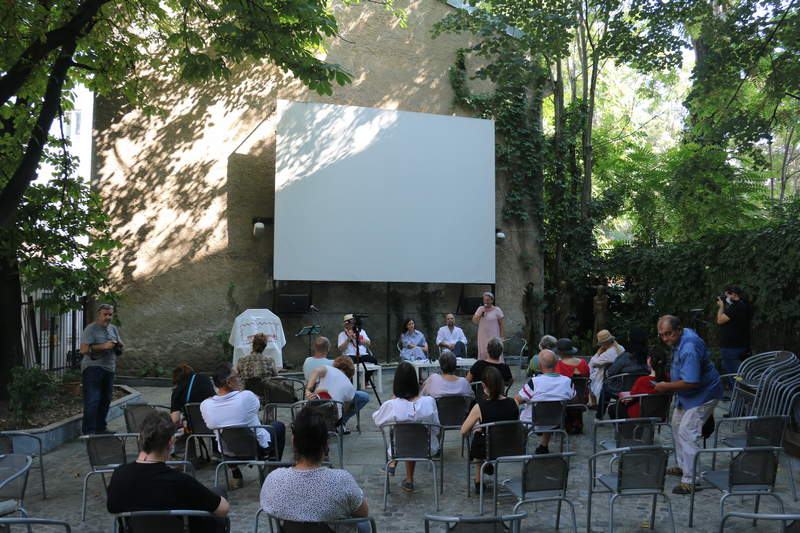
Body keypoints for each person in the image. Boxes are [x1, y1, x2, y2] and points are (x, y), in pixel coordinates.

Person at [107, 411, 230, 533]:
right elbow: (223, 509)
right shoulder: (181, 481)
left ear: (140, 438)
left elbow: (112, 508)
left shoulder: (119, 475)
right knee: (218, 494)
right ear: (170, 443)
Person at [260, 407, 370, 532]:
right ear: (326, 445)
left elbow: (268, 507)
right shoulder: (341, 480)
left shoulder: (274, 479)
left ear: (294, 443)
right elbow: (363, 513)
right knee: (364, 525)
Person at [654, 315, 722, 495]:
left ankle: (691, 481)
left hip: (704, 393)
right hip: (688, 395)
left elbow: (691, 382)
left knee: (687, 430)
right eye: (662, 335)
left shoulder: (689, 348)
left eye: (668, 334)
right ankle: (682, 466)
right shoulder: (682, 337)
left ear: (679, 330)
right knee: (676, 425)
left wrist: (665, 386)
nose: (665, 338)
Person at [200, 363, 286, 489]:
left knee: (224, 435)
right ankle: (271, 466)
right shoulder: (246, 396)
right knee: (278, 426)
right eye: (237, 376)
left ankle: (236, 475)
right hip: (256, 449)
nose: (240, 379)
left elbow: (210, 425)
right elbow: (257, 405)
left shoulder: (206, 405)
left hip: (228, 452)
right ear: (229, 382)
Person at [372, 362, 440, 493]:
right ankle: (409, 480)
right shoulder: (429, 402)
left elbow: (377, 420)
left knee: (399, 433)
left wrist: (393, 400)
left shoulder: (391, 405)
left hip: (399, 449)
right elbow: (436, 428)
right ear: (415, 381)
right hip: (426, 449)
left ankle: (394, 463)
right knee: (413, 437)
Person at [461, 366, 519, 491]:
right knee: (483, 433)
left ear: (483, 385)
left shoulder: (479, 407)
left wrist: (478, 427)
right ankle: (486, 465)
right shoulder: (514, 403)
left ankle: (478, 481)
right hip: (511, 446)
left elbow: (463, 430)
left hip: (488, 448)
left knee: (478, 434)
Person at [515, 350, 575, 454]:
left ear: (540, 365)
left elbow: (518, 400)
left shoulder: (534, 382)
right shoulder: (567, 381)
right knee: (550, 409)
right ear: (556, 363)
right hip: (556, 421)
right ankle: (544, 445)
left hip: (532, 422)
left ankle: (521, 447)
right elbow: (573, 398)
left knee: (521, 411)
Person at [80, 303, 123, 435]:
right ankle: (89, 432)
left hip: (109, 368)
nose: (108, 317)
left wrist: (118, 346)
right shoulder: (91, 329)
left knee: (105, 399)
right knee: (93, 399)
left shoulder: (113, 328)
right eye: (105, 314)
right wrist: (103, 346)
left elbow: (120, 347)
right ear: (98, 315)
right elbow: (83, 350)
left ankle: (100, 428)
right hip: (93, 367)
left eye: (110, 315)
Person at [305, 356, 369, 432]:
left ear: (335, 364)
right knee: (361, 397)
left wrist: (308, 389)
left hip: (313, 413)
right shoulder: (350, 386)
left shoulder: (328, 369)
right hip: (333, 419)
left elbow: (316, 371)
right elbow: (345, 408)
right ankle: (341, 424)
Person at [599, 326, 650, 418]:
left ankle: (599, 415)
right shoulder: (648, 357)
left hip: (622, 389)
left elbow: (610, 372)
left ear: (631, 339)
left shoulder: (626, 356)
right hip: (640, 390)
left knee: (605, 387)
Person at [612, 350, 671, 419]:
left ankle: (627, 426)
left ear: (649, 361)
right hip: (661, 414)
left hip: (641, 414)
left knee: (613, 408)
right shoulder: (670, 380)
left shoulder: (643, 380)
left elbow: (631, 398)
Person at [716, 285, 753, 388]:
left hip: (731, 347)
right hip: (743, 344)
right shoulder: (747, 305)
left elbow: (720, 320)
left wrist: (721, 307)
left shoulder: (735, 308)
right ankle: (745, 387)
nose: (726, 298)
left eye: (726, 295)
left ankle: (738, 391)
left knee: (734, 373)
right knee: (739, 369)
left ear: (733, 295)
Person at [553, 338, 590, 434]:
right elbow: (587, 376)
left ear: (559, 353)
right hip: (581, 397)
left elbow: (556, 382)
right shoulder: (583, 362)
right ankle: (577, 423)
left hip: (564, 398)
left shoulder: (558, 365)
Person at [589, 329, 625, 407]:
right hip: (619, 378)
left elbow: (592, 363)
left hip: (607, 379)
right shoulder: (621, 348)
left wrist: (598, 352)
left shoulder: (608, 353)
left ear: (604, 343)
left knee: (590, 377)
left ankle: (593, 403)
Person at [472, 292, 504, 361]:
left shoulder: (497, 310)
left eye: (488, 300)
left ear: (492, 300)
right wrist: (481, 313)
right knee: (483, 353)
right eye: (484, 300)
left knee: (494, 353)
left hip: (494, 337)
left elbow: (501, 324)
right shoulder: (480, 309)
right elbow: (474, 321)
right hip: (483, 337)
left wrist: (501, 338)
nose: (486, 302)